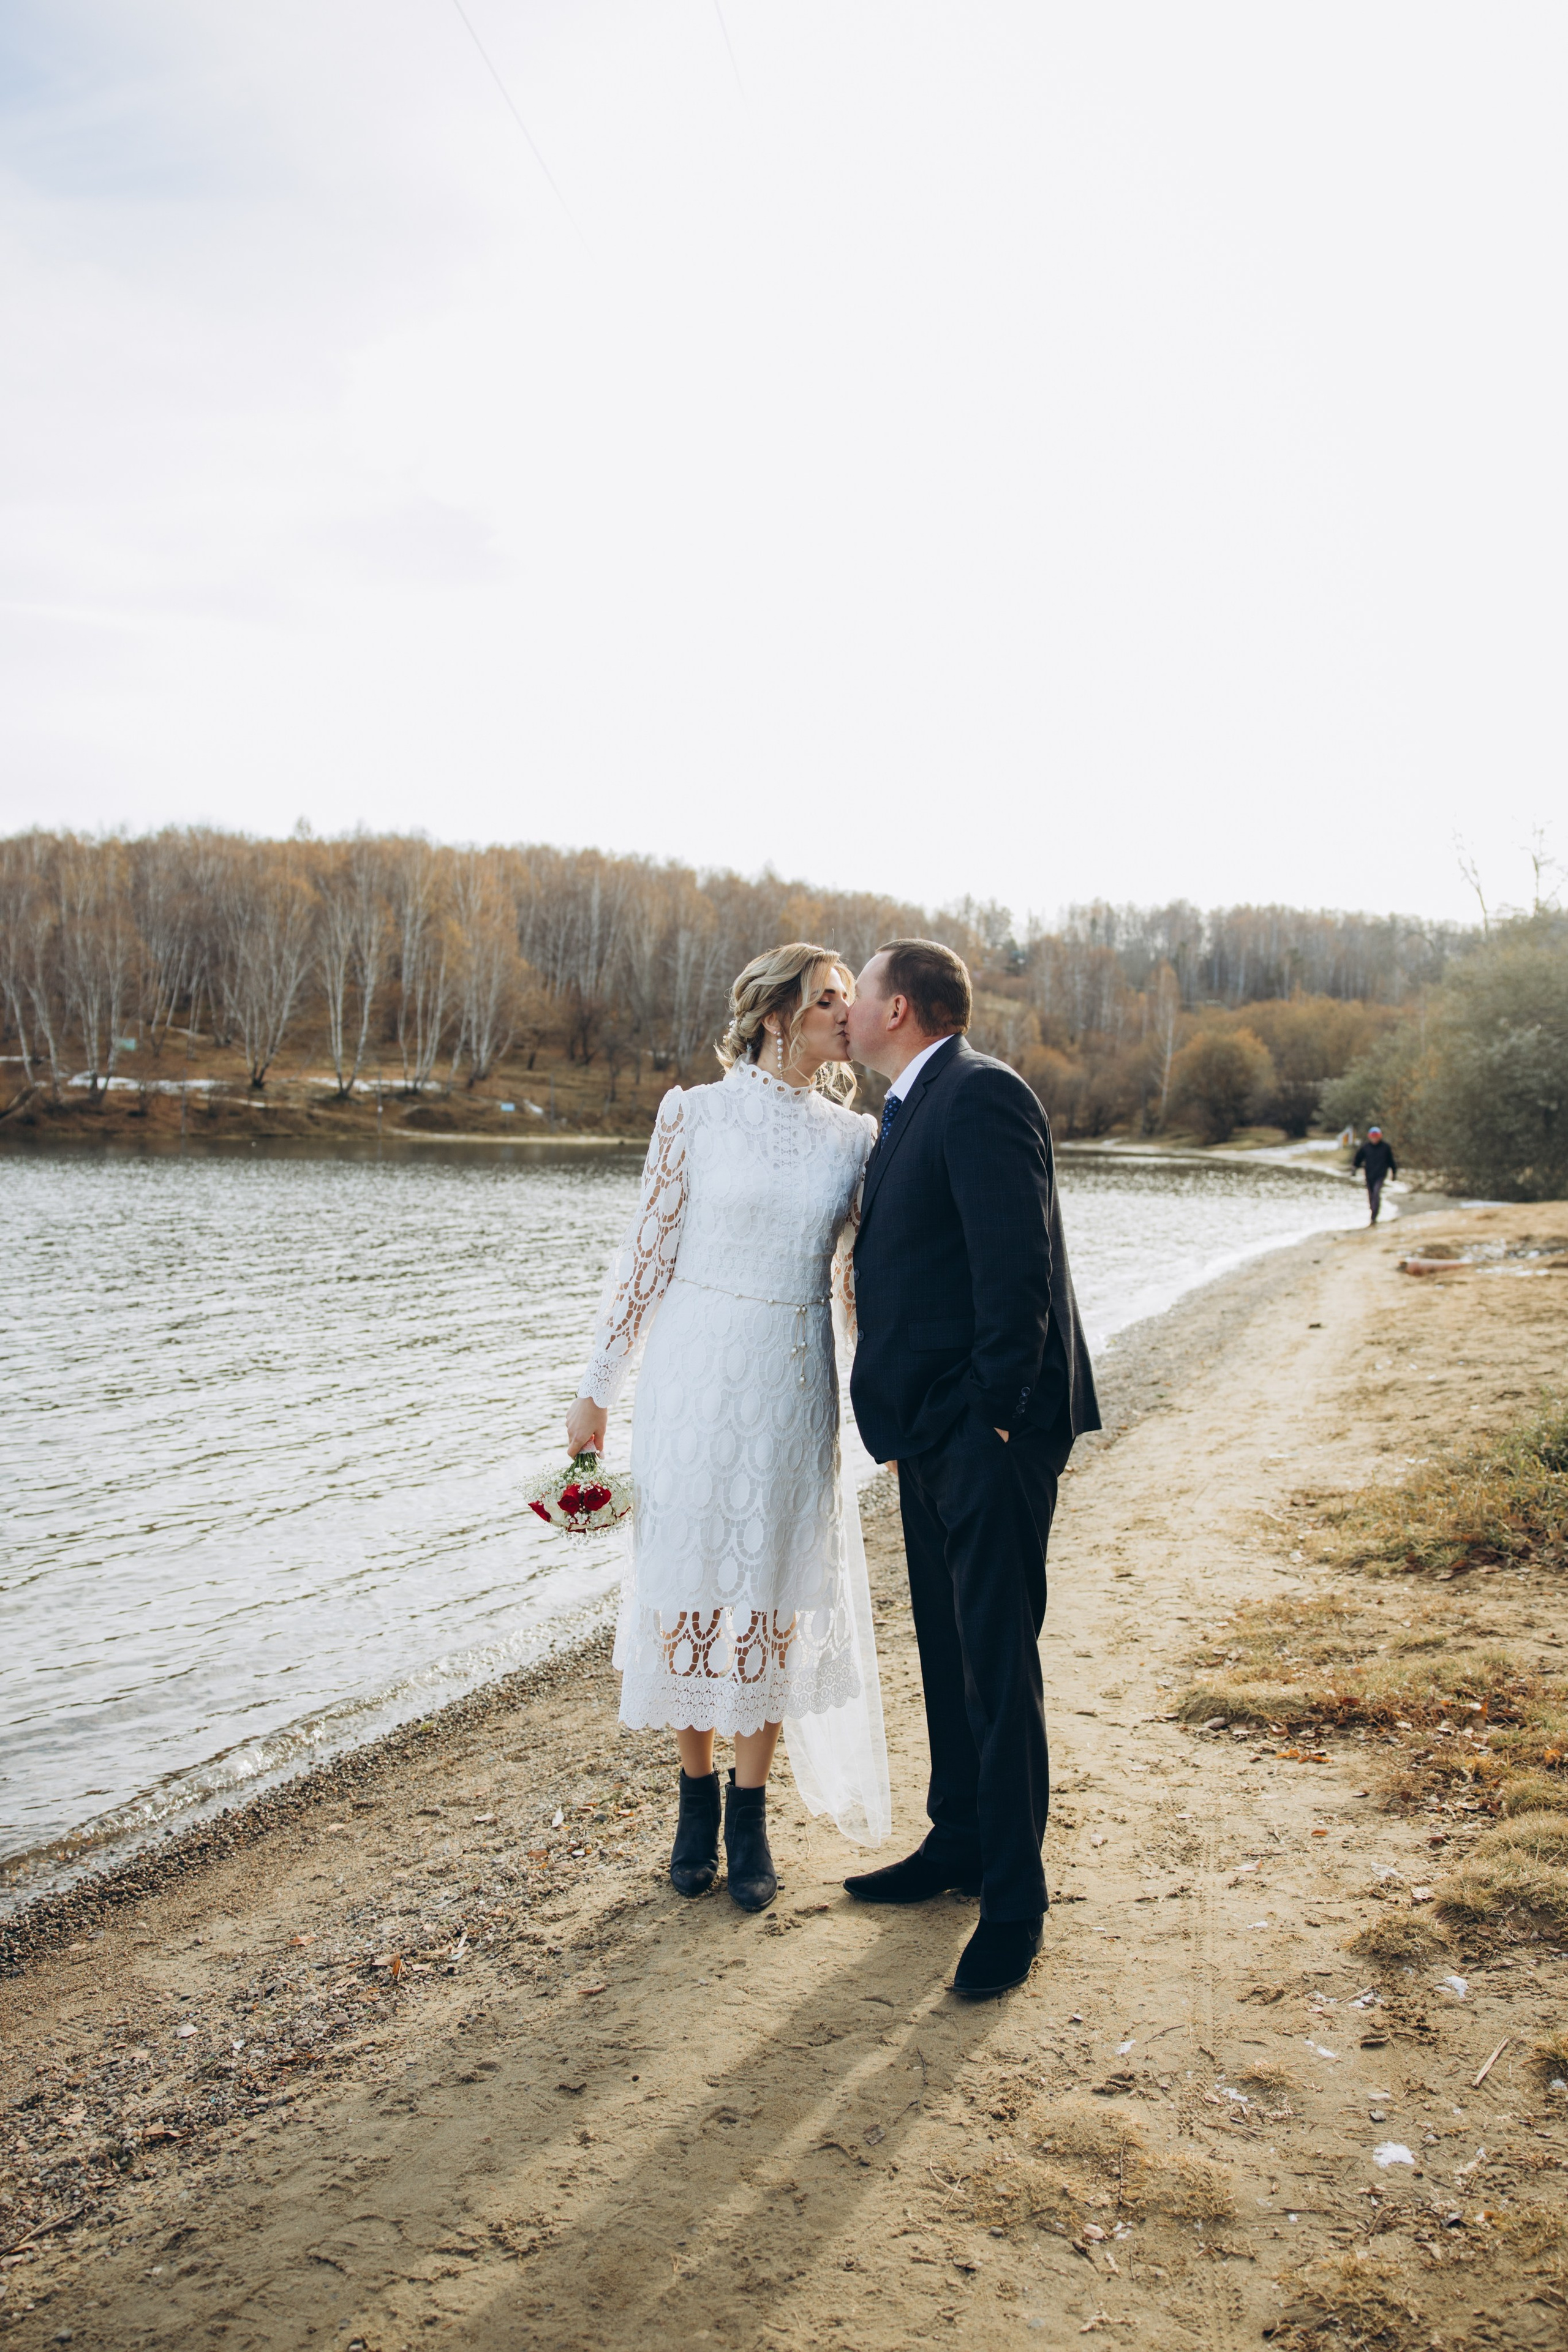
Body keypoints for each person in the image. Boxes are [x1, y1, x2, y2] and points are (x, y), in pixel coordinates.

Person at [566, 944, 890, 1915]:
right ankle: (695, 1796)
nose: (847, 1014)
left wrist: (892, 1388)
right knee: (691, 1583)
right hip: (694, 1378)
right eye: (829, 999)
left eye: (850, 998)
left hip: (792, 1377)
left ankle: (750, 1815)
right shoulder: (692, 1115)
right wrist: (595, 1391)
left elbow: (858, 1284)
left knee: (773, 1591)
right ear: (777, 1015)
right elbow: (644, 1260)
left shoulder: (857, 1139)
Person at [842, 938, 1100, 1997]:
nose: (847, 1009)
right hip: (930, 1434)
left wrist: (991, 1419)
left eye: (858, 992)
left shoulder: (982, 1093)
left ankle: (1014, 1903)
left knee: (996, 1664)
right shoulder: (911, 1106)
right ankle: (958, 1842)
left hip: (984, 1435)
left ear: (899, 1008)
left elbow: (1016, 1268)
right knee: (949, 1655)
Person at [1352, 1126, 1397, 1224]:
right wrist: (1354, 1168)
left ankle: (1374, 1217)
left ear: (1380, 1136)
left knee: (1376, 1193)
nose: (1375, 1138)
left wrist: (1394, 1172)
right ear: (1370, 1137)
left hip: (1381, 1175)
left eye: (1376, 1136)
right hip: (1369, 1175)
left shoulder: (1385, 1147)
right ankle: (1373, 1214)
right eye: (1373, 1136)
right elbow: (1358, 1158)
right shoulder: (1366, 1147)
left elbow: (1391, 1161)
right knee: (1371, 1196)